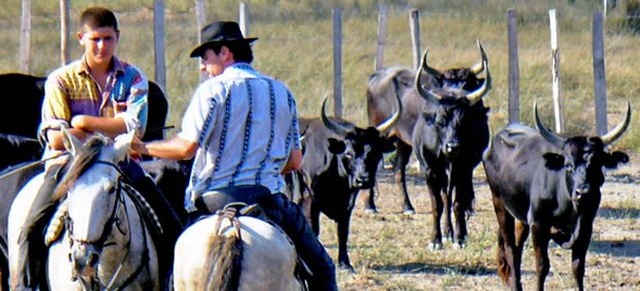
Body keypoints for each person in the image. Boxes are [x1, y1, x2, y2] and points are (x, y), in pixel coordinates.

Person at [130, 21, 338, 291]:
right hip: (269, 202)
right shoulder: (282, 93)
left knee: (167, 270)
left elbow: (185, 148)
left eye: (205, 57)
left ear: (225, 52)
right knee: (322, 269)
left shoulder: (212, 90)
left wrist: (142, 148)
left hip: (213, 203)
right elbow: (294, 162)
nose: (202, 67)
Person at [16, 6, 182, 290]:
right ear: (81, 37)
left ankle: (169, 282)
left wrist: (80, 122)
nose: (102, 46)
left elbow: (136, 128)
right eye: (95, 39)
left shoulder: (133, 77)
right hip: (67, 166)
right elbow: (56, 138)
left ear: (117, 37)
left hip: (122, 164)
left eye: (108, 38)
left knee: (170, 223)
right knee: (32, 223)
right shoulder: (61, 80)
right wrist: (112, 123)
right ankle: (25, 284)